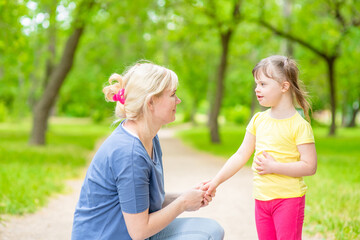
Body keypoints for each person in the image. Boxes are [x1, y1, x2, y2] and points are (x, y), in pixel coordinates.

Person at [71, 62, 224, 240]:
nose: (178, 100)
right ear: (151, 102)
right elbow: (139, 232)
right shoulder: (129, 153)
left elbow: (141, 203)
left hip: (129, 233)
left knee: (211, 230)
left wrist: (187, 196)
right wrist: (183, 203)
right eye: (173, 94)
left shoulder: (149, 138)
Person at [203, 55, 317, 240]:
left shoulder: (299, 125)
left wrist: (275, 167)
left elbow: (310, 166)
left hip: (288, 200)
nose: (257, 89)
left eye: (263, 84)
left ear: (284, 86)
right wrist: (215, 181)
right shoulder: (259, 120)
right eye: (256, 84)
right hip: (261, 200)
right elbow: (240, 155)